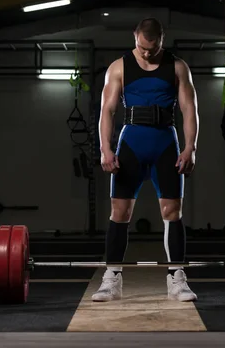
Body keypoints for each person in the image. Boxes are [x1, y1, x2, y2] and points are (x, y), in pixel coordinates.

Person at [93, 17, 199, 302]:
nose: (146, 53)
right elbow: (107, 110)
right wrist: (105, 149)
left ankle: (177, 278)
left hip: (165, 141)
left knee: (172, 211)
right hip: (132, 144)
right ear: (135, 38)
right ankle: (111, 278)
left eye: (152, 49)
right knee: (120, 213)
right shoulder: (119, 67)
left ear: (161, 40)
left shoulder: (177, 67)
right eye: (141, 48)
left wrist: (191, 148)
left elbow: (190, 110)